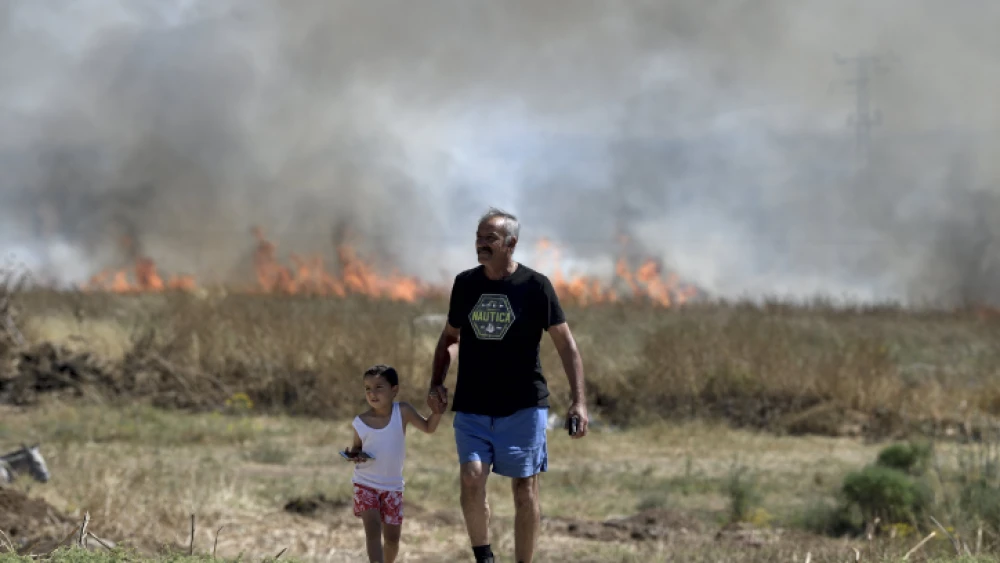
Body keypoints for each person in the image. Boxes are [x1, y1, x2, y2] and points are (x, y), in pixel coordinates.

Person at [426, 207, 589, 563]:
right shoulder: (466, 284)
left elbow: (566, 345)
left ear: (511, 244)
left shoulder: (536, 286)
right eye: (478, 238)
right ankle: (484, 556)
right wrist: (436, 382)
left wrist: (579, 401)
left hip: (523, 405)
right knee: (471, 476)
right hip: (473, 403)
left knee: (524, 490)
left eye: (490, 238)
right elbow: (450, 337)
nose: (481, 244)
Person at [344, 364, 444, 563]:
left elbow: (428, 427)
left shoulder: (403, 411)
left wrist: (438, 412)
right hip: (365, 484)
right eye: (367, 388)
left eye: (379, 387)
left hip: (392, 487)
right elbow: (356, 448)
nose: (372, 393)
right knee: (373, 531)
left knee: (392, 540)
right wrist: (354, 455)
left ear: (394, 390)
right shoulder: (360, 422)